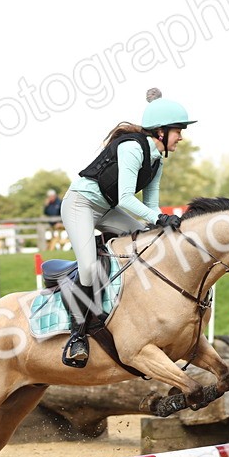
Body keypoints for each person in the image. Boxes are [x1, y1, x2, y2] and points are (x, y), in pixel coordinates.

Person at [58, 87, 193, 368]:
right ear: (161, 131)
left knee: (150, 241)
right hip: (80, 205)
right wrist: (157, 219)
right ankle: (77, 334)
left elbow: (151, 207)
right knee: (88, 268)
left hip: (108, 210)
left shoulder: (157, 163)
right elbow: (126, 199)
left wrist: (163, 221)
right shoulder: (132, 148)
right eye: (178, 130)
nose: (181, 136)